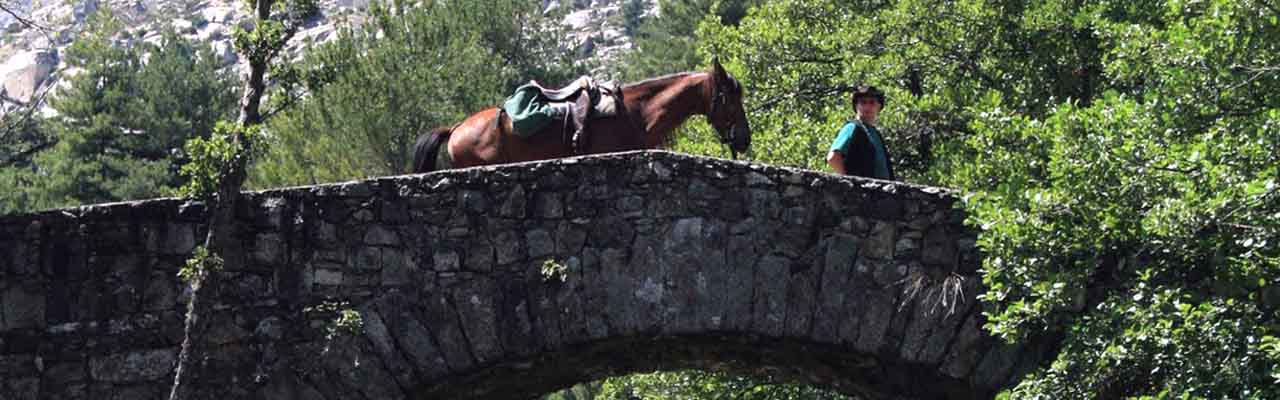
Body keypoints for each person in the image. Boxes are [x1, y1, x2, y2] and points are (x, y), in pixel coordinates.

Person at [826, 85, 896, 180]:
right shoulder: (852, 127)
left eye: (872, 102)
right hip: (861, 191)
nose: (867, 106)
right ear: (856, 106)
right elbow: (833, 157)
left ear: (879, 106)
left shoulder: (876, 134)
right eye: (863, 102)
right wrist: (849, 181)